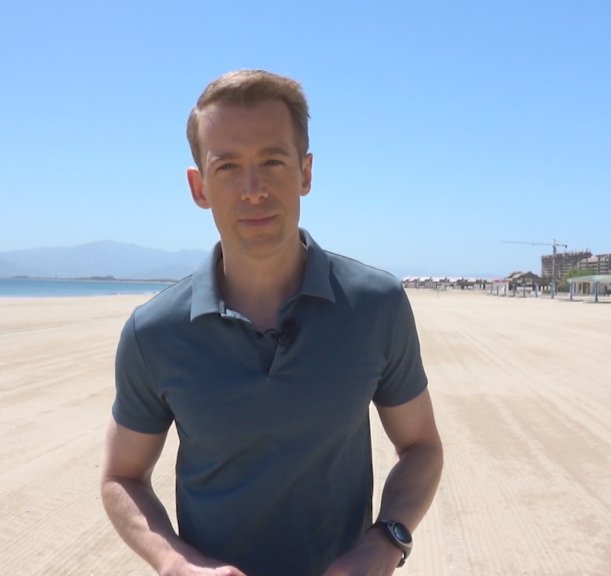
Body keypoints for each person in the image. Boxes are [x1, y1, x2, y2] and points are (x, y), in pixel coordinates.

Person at [101, 69, 443, 576]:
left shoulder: (376, 305)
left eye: (273, 162)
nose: (254, 190)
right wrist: (176, 563)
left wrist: (386, 540)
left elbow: (421, 447)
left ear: (305, 173)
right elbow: (121, 477)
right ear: (199, 187)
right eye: (227, 167)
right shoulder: (154, 332)